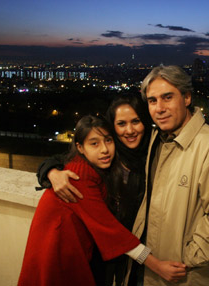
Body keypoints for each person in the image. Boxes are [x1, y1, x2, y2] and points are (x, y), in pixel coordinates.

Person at [19, 115, 186, 286]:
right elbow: (109, 229)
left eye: (108, 140)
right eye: (94, 144)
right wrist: (157, 265)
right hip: (55, 252)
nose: (105, 149)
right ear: (80, 148)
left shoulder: (91, 168)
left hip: (66, 250)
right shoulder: (78, 176)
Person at [125, 65, 209, 285]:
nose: (159, 108)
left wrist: (184, 261)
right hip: (149, 270)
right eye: (152, 101)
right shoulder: (157, 140)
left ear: (187, 98)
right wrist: (53, 169)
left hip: (184, 277)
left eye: (167, 97)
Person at [36, 94, 153, 285]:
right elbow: (64, 161)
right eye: (121, 124)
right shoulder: (101, 160)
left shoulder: (153, 155)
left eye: (136, 121)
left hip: (134, 248)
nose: (129, 130)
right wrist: (49, 171)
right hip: (103, 250)